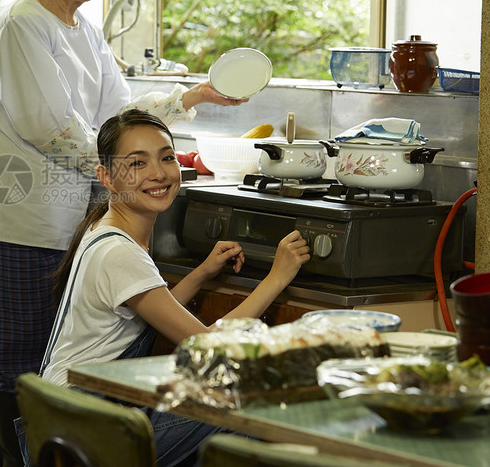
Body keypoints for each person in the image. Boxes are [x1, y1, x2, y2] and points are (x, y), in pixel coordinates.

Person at [0, 0, 246, 466]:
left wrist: (193, 97)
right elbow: (52, 128)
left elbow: (120, 113)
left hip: (67, 220)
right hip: (16, 218)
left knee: (58, 370)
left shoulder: (83, 30)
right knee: (19, 371)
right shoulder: (22, 24)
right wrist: (128, 169)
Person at [39, 109, 310, 467]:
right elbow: (208, 347)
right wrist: (277, 277)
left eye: (167, 157)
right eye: (137, 163)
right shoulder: (120, 253)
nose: (158, 173)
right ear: (106, 177)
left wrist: (200, 273)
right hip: (87, 430)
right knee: (253, 405)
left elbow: (150, 312)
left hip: (61, 416)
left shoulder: (105, 229)